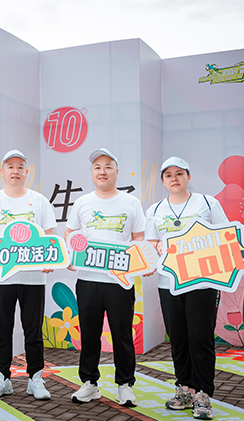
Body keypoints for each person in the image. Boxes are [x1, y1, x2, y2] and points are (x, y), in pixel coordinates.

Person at [146, 156, 227, 420]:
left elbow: (225, 235)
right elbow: (150, 242)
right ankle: (184, 389)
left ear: (188, 177)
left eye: (179, 173)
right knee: (178, 338)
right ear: (163, 180)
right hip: (168, 283)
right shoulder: (156, 209)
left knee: (200, 338)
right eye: (168, 175)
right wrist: (156, 246)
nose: (174, 178)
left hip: (202, 282)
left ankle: (203, 394)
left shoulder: (206, 203)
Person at [64, 148, 145, 407]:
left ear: (116, 172)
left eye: (108, 166)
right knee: (89, 334)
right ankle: (89, 383)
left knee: (122, 334)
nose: (102, 171)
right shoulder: (82, 203)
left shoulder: (130, 203)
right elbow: (70, 233)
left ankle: (125, 385)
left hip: (120, 282)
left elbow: (139, 238)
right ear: (92, 173)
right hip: (88, 280)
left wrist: (138, 262)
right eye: (97, 167)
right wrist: (71, 256)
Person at [0, 149, 55, 401]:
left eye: (20, 167)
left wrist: (50, 259)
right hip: (0, 278)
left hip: (33, 278)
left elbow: (50, 238)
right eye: (10, 166)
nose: (15, 171)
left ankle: (36, 379)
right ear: (2, 172)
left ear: (26, 172)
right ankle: (2, 378)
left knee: (34, 332)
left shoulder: (40, 201)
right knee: (2, 331)